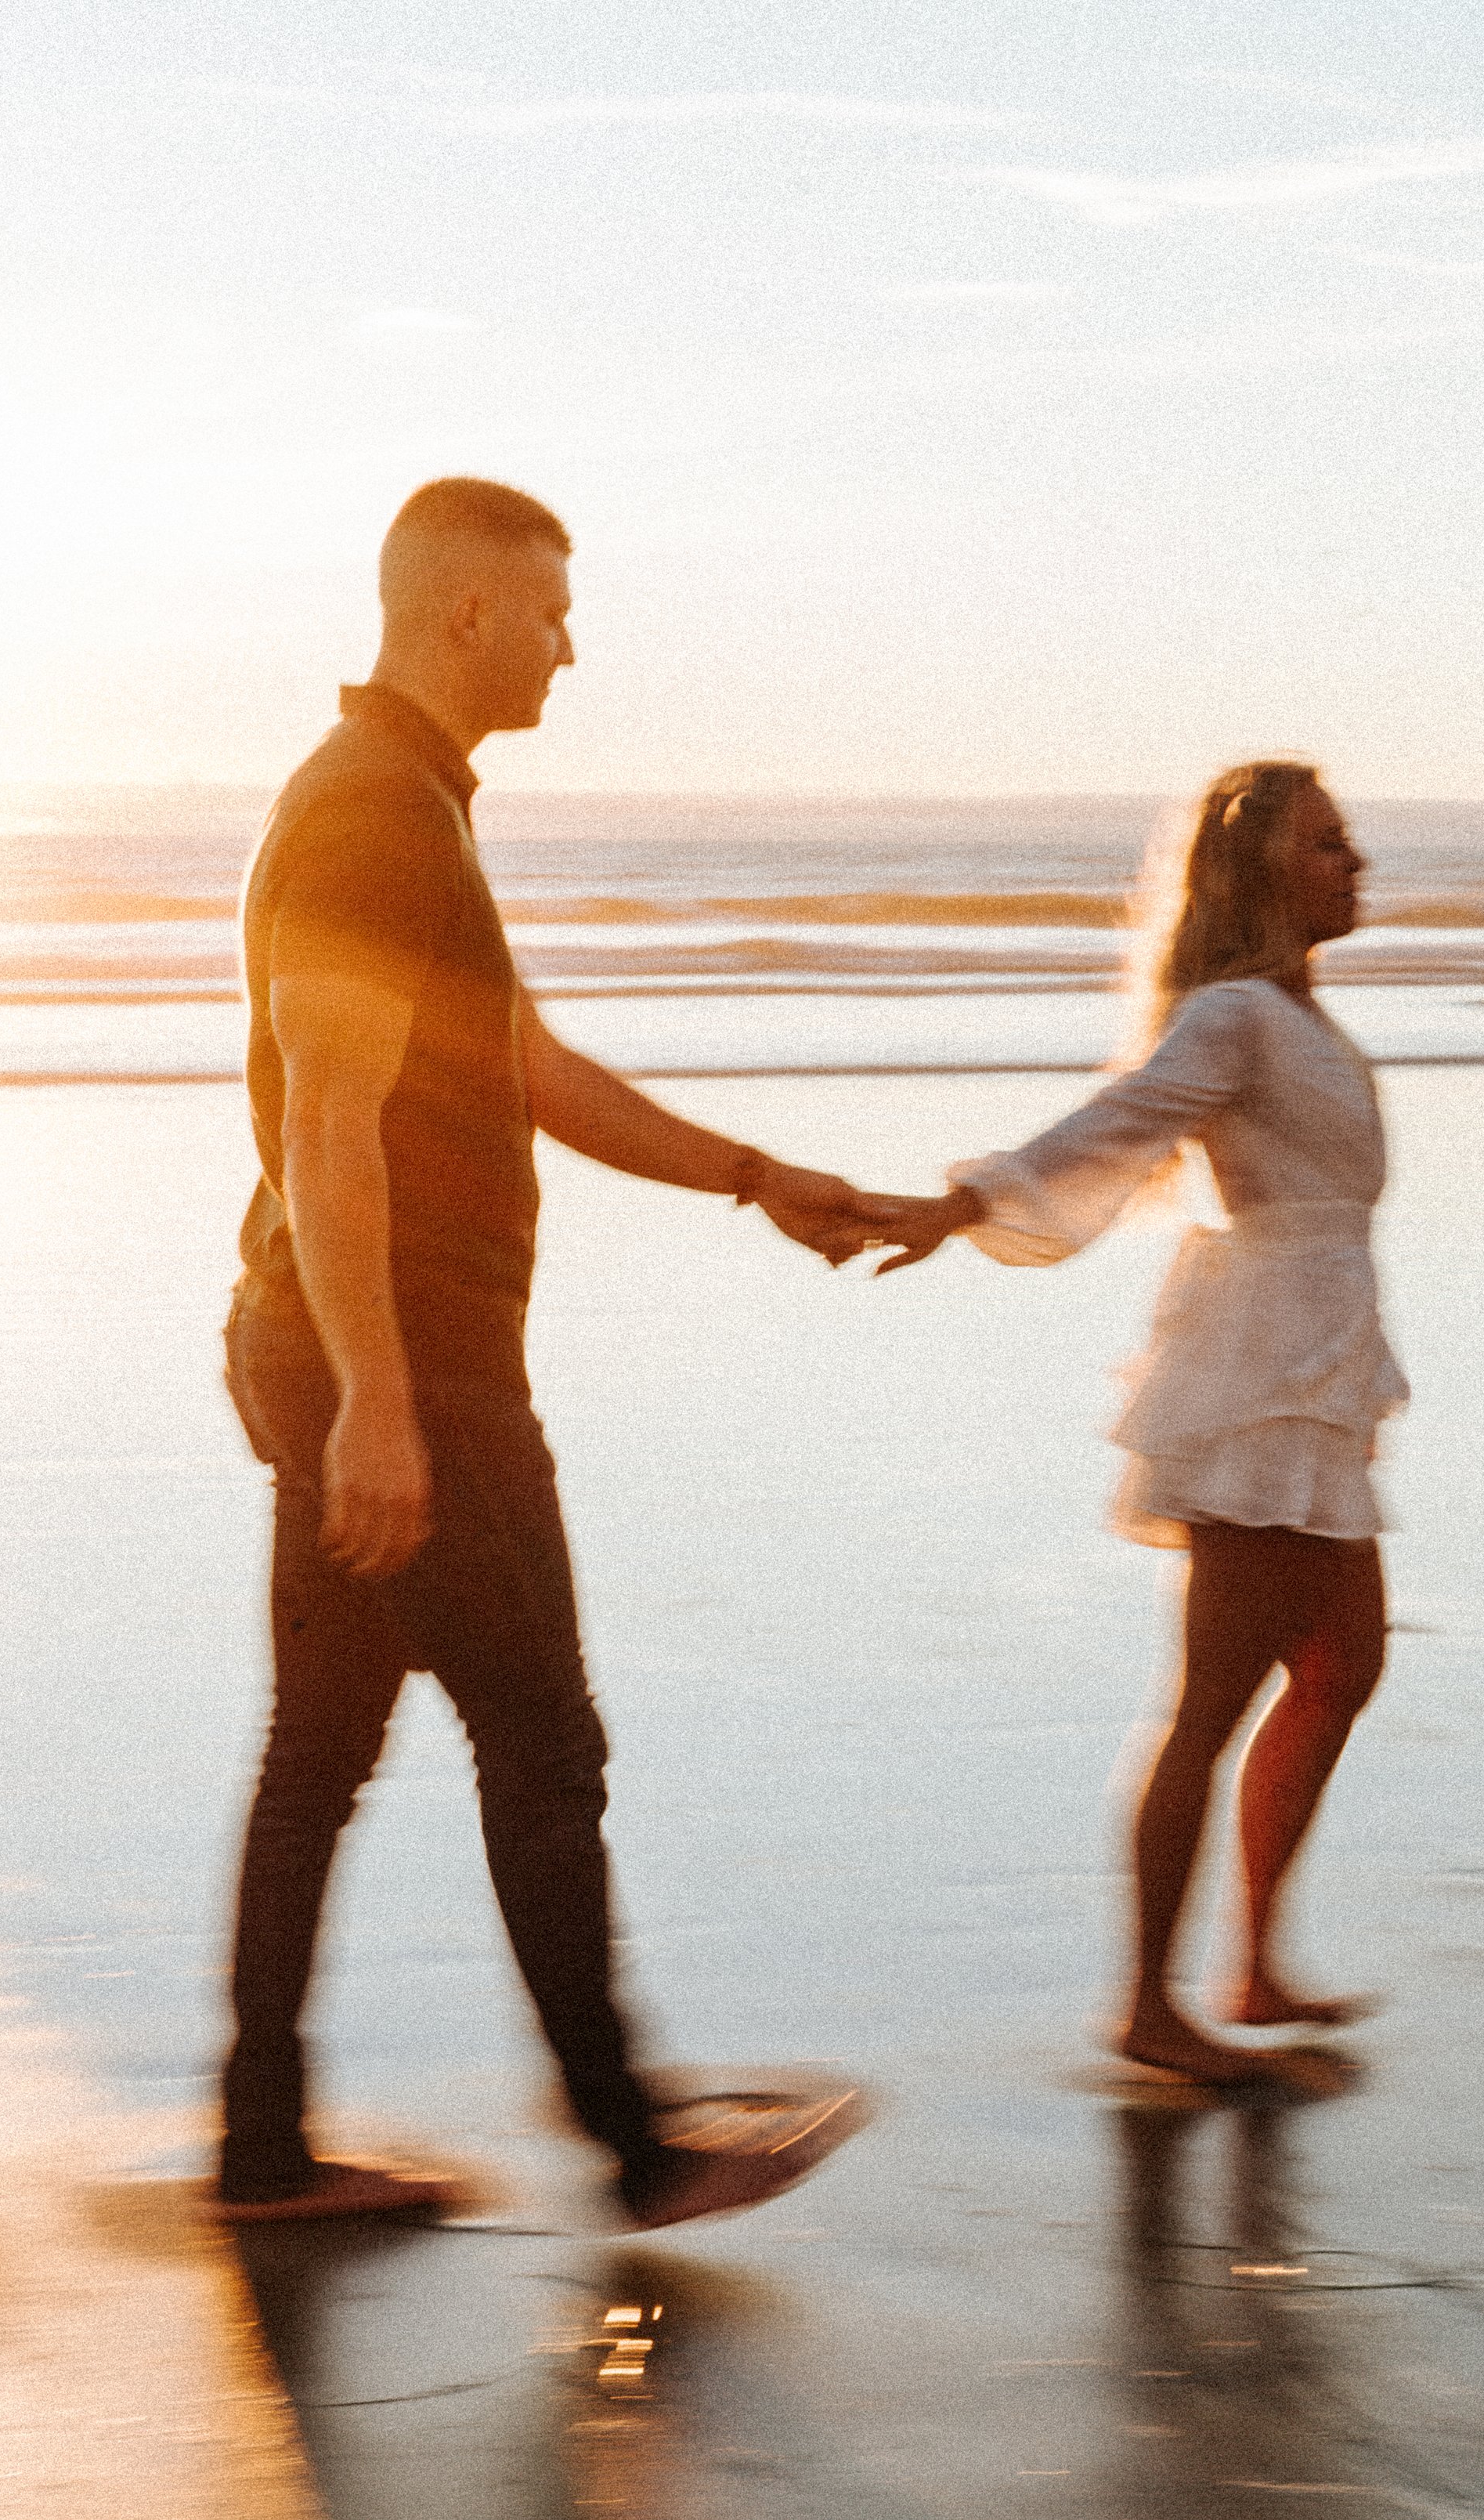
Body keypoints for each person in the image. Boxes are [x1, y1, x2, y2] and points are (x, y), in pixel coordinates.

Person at [218, 476, 884, 2222]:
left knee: (319, 1754)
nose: (569, 645)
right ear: (463, 616)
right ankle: (629, 2139)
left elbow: (521, 1063)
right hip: (406, 1366)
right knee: (543, 1743)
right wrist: (376, 1401)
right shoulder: (374, 816)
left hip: (345, 1349)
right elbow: (335, 1127)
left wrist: (753, 1178)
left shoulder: (402, 807)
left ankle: (262, 2147)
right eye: (550, 613)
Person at [868, 764, 1406, 2084]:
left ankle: (1253, 1965)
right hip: (1259, 1373)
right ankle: (1148, 2005)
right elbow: (1119, 1123)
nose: (1359, 862)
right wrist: (964, 1201)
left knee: (1344, 1661)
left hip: (1316, 1361)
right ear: (1261, 870)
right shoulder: (1233, 1015)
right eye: (1328, 844)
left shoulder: (1301, 1018)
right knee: (1213, 1697)